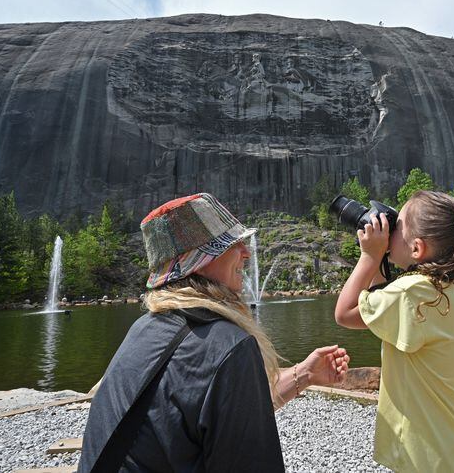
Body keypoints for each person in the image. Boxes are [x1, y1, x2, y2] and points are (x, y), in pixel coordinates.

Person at [80, 193, 350, 472]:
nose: (246, 252)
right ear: (200, 260)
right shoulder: (228, 346)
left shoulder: (145, 328)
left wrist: (304, 374)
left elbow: (212, 415)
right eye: (232, 243)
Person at [334, 188, 454, 472]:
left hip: (430, 458)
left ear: (417, 249)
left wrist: (369, 256)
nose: (389, 229)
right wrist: (381, 255)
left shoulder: (410, 293)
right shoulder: (442, 287)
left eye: (397, 225)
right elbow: (378, 296)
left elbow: (345, 314)